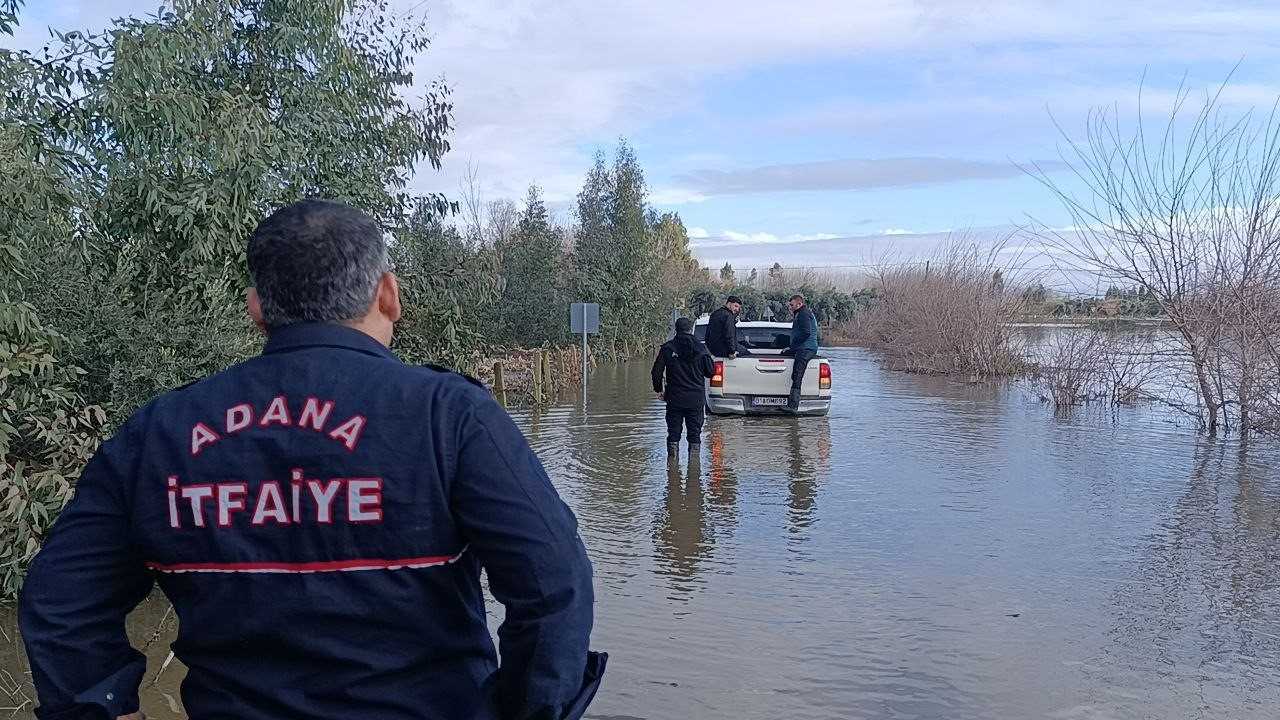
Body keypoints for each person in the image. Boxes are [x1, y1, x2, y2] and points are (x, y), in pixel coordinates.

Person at [19, 199, 604, 720]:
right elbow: (555, 586)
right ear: (388, 294)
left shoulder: (159, 433)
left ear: (256, 307)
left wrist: (97, 705)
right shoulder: (448, 416)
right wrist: (528, 708)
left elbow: (59, 600)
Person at [652, 317, 716, 459]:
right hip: (695, 399)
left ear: (676, 330)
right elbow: (710, 372)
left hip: (674, 398)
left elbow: (656, 372)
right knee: (695, 434)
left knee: (673, 433)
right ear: (691, 329)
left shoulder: (668, 348)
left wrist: (659, 390)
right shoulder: (701, 348)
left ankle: (672, 465)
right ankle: (694, 466)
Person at [782, 293, 820, 413]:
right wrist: (791, 348)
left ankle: (793, 406)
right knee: (796, 373)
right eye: (790, 305)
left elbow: (806, 332)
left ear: (799, 304)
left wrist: (793, 346)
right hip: (804, 347)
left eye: (792, 305)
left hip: (806, 348)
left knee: (797, 374)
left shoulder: (803, 314)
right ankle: (793, 404)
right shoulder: (801, 313)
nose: (790, 307)